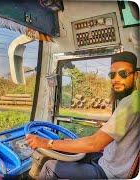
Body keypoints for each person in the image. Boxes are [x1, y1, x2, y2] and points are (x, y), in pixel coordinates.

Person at [26, 51, 139, 179]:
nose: (116, 79)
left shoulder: (131, 102)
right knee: (73, 150)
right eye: (112, 75)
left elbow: (94, 144)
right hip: (108, 160)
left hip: (109, 173)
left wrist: (47, 143)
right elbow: (101, 139)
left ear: (136, 75)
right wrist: (74, 142)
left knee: (49, 167)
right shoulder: (132, 101)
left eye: (123, 74)